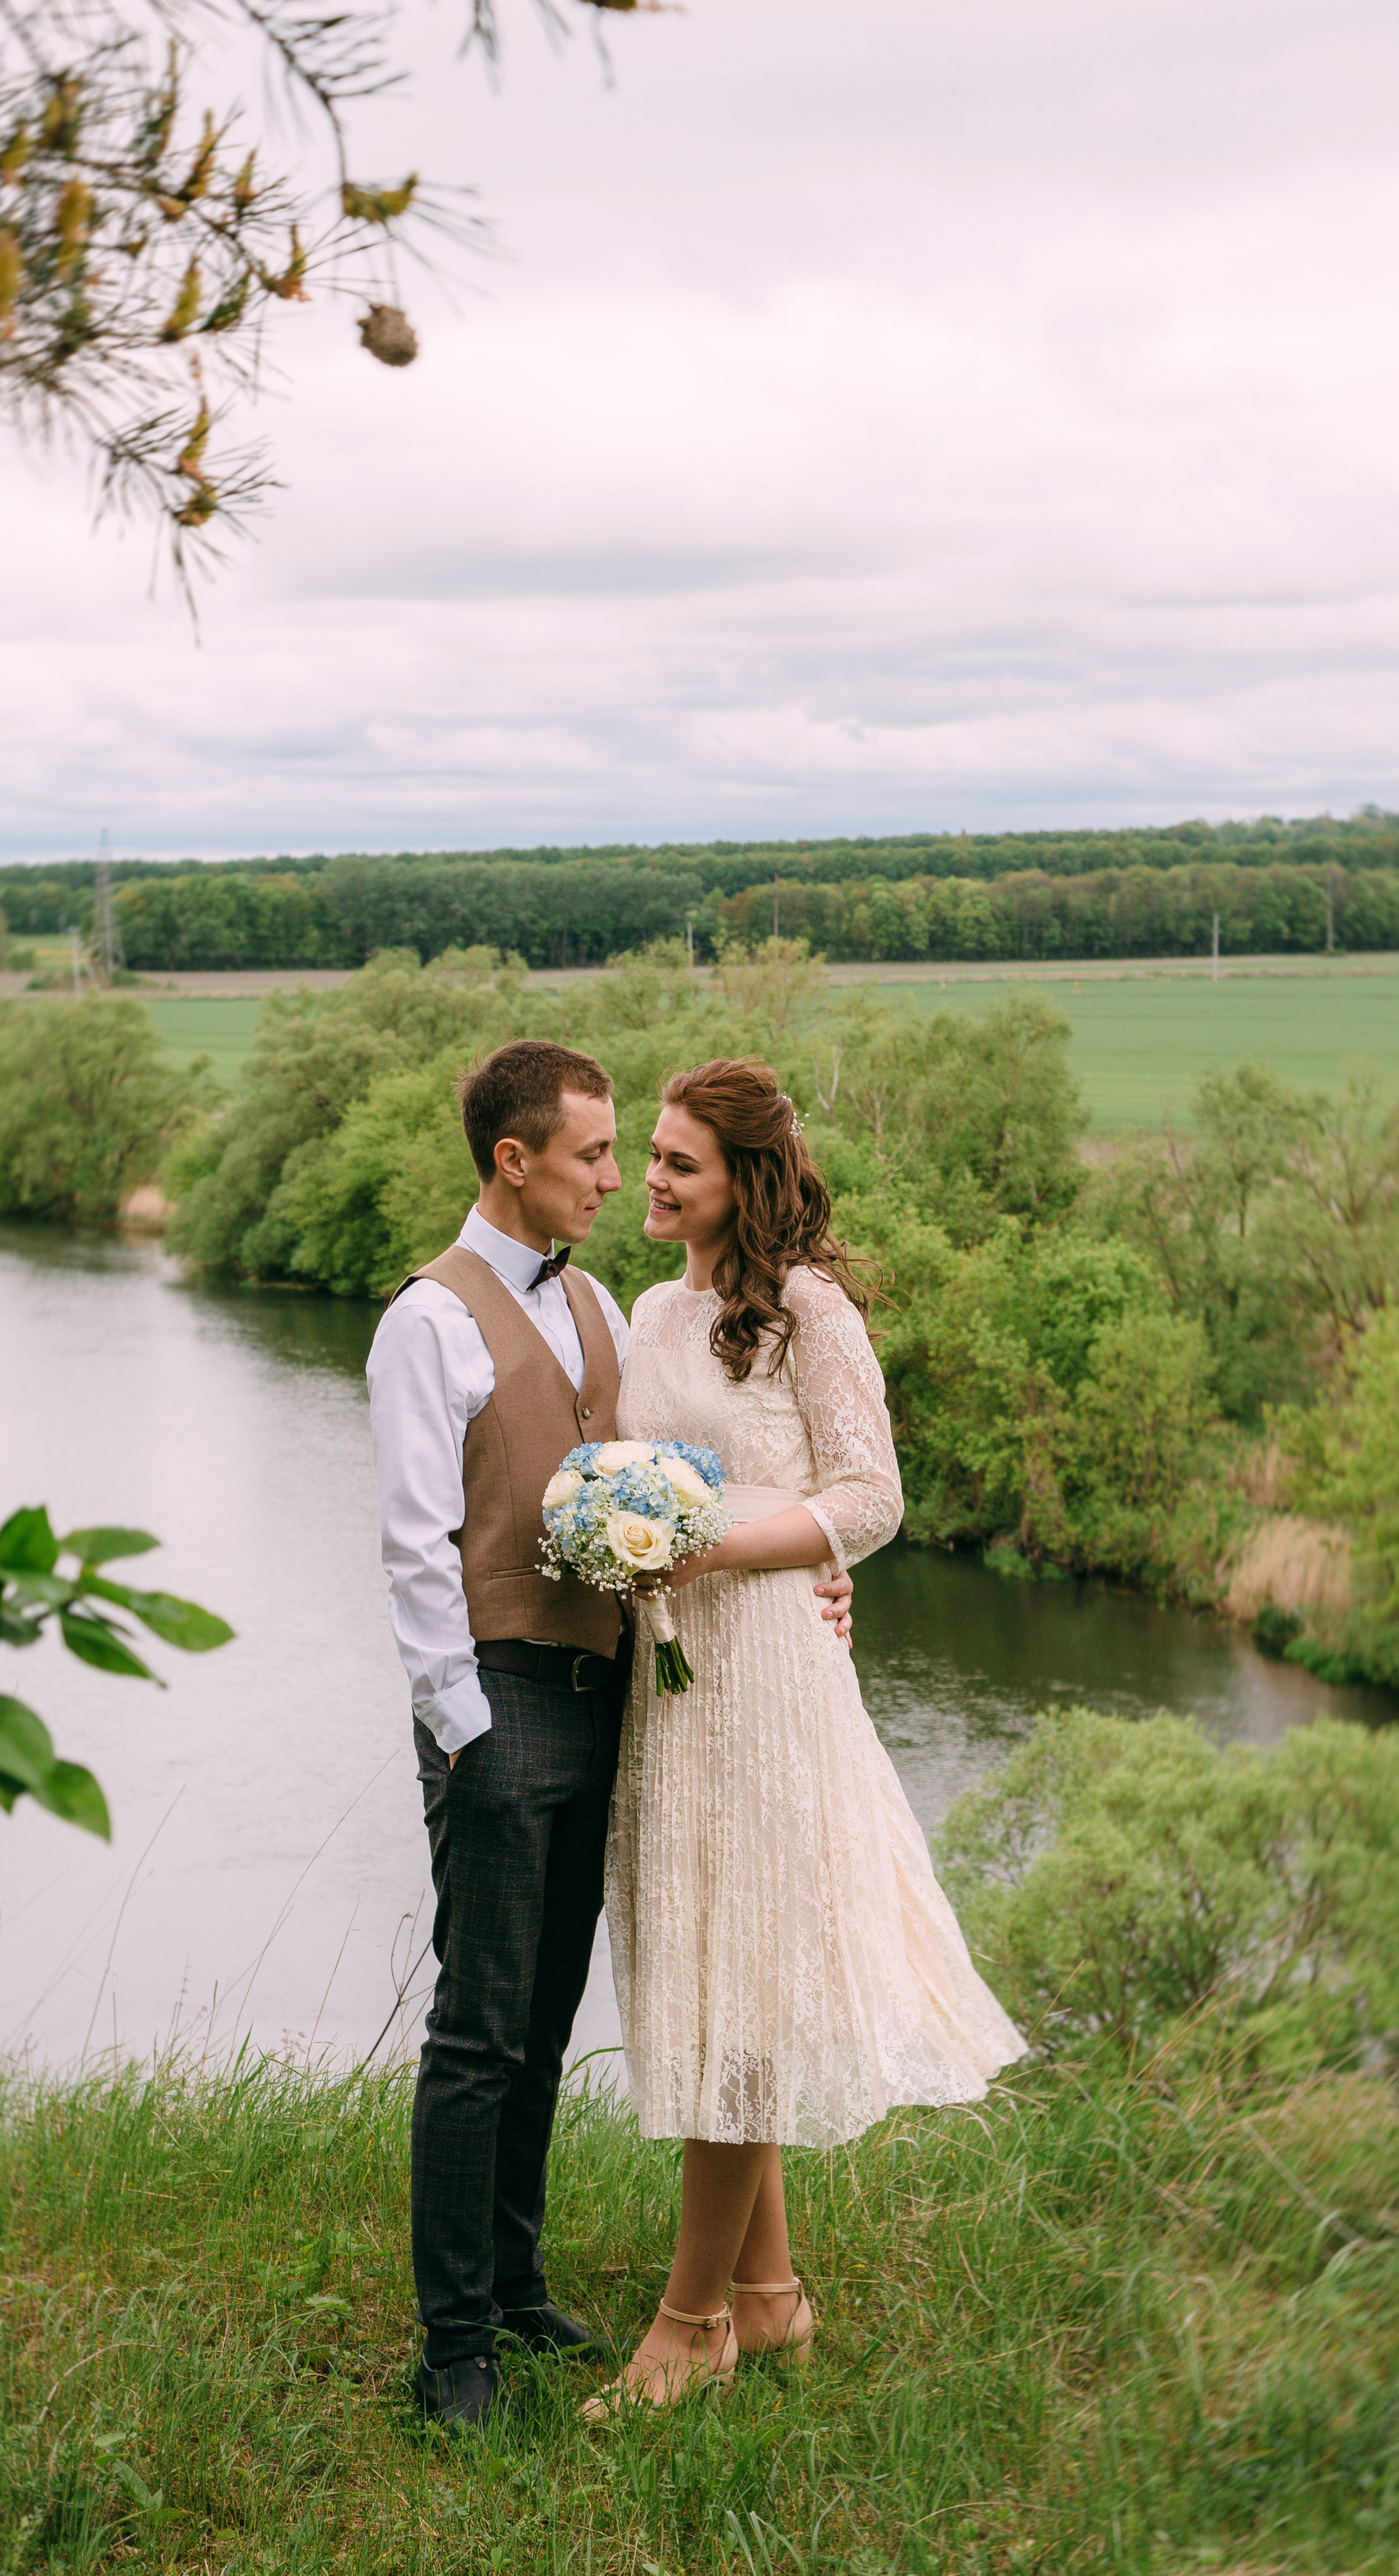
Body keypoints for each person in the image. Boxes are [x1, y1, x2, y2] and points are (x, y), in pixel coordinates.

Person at [366, 1038, 857, 2439]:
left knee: (540, 2023)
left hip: (610, 1697)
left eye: (623, 1152)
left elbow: (724, 1471)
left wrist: (814, 1565)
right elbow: (414, 1547)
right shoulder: (428, 1321)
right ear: (511, 1160)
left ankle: (518, 2291)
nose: (609, 1175)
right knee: (478, 2028)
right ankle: (455, 2345)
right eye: (591, 1153)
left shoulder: (599, 1302)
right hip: (497, 1698)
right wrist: (463, 1727)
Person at [591, 1056, 1026, 2419]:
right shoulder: (654, 1311)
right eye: (651, 1154)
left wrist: (714, 1547)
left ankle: (692, 2325)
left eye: (680, 1163)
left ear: (746, 1182)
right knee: (713, 1956)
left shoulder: (810, 1312)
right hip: (673, 1677)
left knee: (749, 1977)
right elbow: (641, 1474)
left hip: (768, 1675)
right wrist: (624, 1533)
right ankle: (772, 2297)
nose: (651, 1179)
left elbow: (871, 1499)